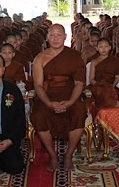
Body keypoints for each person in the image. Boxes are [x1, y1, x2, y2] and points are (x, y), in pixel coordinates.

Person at [30, 23, 86, 171]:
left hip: (70, 94)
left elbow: (79, 83)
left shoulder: (75, 56)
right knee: (38, 115)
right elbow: (38, 85)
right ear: (47, 37)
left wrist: (70, 102)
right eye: (52, 35)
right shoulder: (40, 58)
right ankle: (52, 155)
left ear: (65, 37)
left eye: (59, 35)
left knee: (79, 111)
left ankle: (68, 155)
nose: (55, 38)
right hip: (47, 95)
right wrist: (49, 103)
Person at [89, 37, 119, 107]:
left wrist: (111, 87)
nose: (103, 49)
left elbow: (117, 77)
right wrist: (100, 86)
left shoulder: (115, 60)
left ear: (110, 48)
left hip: (111, 87)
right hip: (97, 87)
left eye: (106, 46)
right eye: (101, 47)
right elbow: (91, 79)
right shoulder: (94, 62)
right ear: (97, 48)